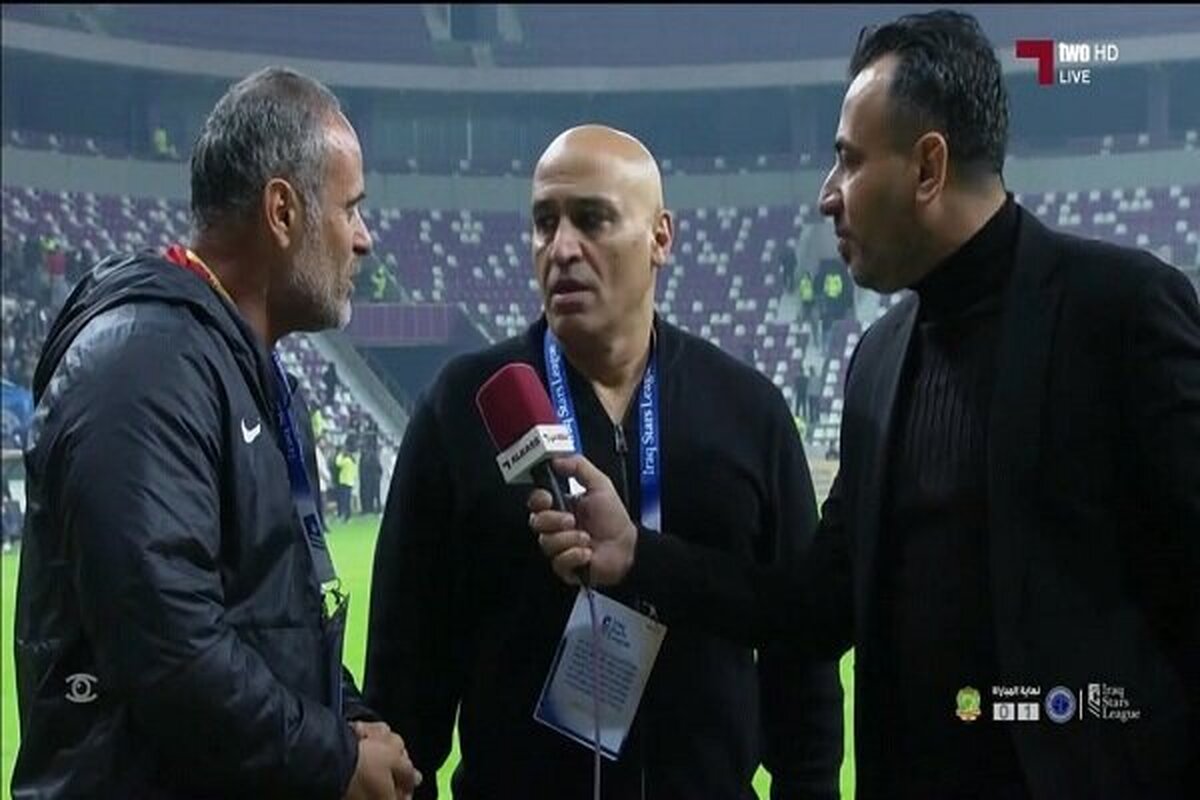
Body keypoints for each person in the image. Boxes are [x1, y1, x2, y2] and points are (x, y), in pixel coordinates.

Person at [530, 11, 1200, 800]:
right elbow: (816, 607)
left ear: (928, 167)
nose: (827, 196)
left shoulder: (1119, 313)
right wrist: (638, 553)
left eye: (848, 161)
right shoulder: (879, 363)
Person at [365, 124, 843, 799]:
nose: (561, 248)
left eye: (592, 219)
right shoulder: (462, 406)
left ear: (660, 238)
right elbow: (406, 674)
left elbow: (803, 666)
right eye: (544, 222)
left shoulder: (749, 411)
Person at [13, 66, 420, 800]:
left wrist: (349, 720)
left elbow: (273, 623)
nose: (364, 240)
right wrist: (332, 758)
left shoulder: (246, 376)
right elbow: (169, 648)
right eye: (351, 209)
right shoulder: (142, 366)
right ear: (283, 212)